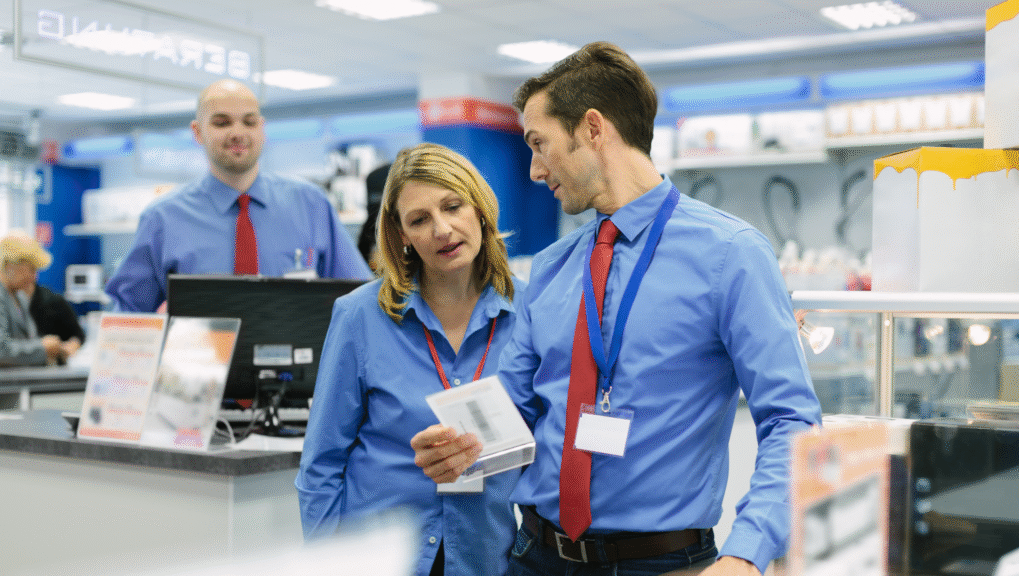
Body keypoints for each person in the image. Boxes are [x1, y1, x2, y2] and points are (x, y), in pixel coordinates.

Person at [411, 42, 822, 576]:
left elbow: (792, 420)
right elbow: (516, 403)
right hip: (536, 557)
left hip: (661, 563)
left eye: (540, 144)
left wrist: (747, 552)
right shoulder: (554, 267)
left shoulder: (730, 255)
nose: (534, 170)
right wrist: (460, 445)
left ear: (593, 129)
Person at [295, 143, 525, 576]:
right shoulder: (360, 316)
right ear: (401, 235)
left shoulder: (531, 311)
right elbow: (322, 463)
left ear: (480, 209)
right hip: (382, 555)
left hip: (491, 557)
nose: (442, 229)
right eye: (419, 219)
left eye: (453, 206)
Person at [105, 79, 371, 312]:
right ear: (197, 132)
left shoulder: (311, 205)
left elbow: (359, 299)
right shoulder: (163, 219)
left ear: (262, 129)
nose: (238, 133)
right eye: (222, 122)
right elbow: (128, 313)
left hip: (300, 366)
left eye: (249, 121)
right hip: (203, 367)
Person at [1, 231, 79, 366]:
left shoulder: (19, 297)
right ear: (10, 265)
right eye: (31, 269)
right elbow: (2, 350)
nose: (33, 277)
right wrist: (43, 347)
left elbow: (28, 340)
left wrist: (53, 348)